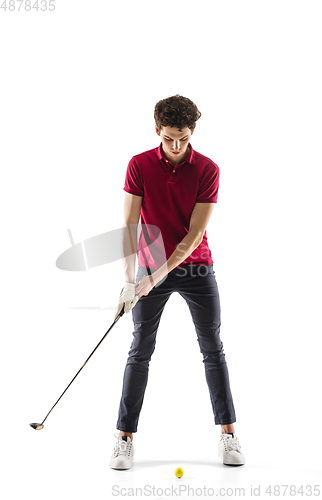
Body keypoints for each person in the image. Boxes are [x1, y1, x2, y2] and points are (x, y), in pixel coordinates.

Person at [109, 94, 245, 470]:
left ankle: (228, 433)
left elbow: (193, 235)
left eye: (183, 138)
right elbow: (129, 225)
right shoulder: (138, 165)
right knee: (140, 350)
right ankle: (124, 438)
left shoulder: (208, 169)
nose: (176, 145)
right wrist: (128, 280)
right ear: (157, 130)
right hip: (148, 269)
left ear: (192, 132)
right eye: (169, 137)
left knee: (212, 348)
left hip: (195, 266)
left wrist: (154, 277)